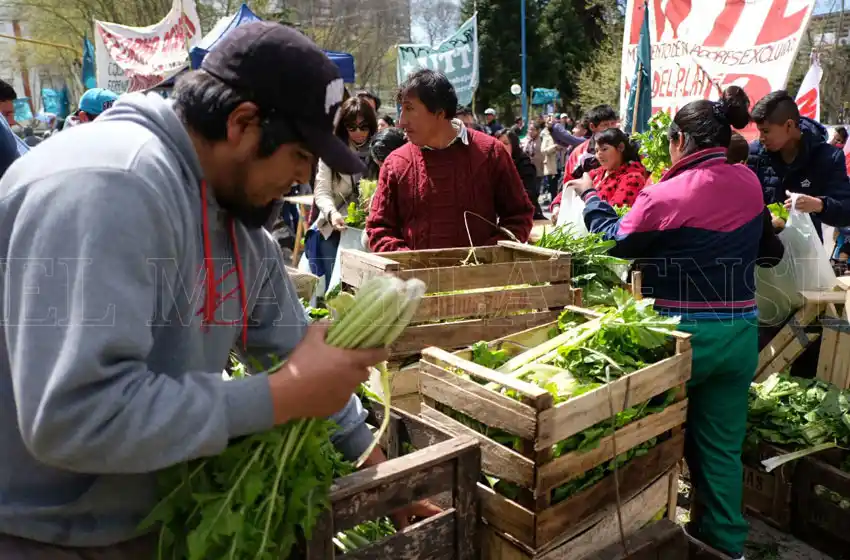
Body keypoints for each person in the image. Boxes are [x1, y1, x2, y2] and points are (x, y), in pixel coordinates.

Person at [0, 22, 434, 558]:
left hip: (153, 520)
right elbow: (72, 417)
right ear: (242, 124)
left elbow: (293, 342)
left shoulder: (236, 221)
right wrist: (277, 396)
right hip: (40, 536)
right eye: (299, 158)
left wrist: (375, 464)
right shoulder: (109, 184)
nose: (300, 180)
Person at [570, 86, 782, 560]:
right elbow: (772, 251)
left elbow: (615, 242)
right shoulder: (748, 182)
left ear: (680, 140)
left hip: (684, 339)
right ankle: (726, 545)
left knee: (659, 443)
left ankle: (655, 536)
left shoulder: (664, 194)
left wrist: (590, 197)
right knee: (722, 449)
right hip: (740, 334)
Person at [367, 69, 533, 252]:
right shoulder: (395, 163)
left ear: (439, 112)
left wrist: (487, 257)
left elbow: (519, 216)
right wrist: (411, 265)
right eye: (401, 110)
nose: (401, 122)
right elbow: (378, 229)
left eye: (410, 109)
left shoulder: (491, 153)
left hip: (483, 278)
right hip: (414, 279)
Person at [749, 90, 850, 237]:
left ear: (789, 126)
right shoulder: (754, 153)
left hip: (806, 251)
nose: (761, 138)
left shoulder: (828, 157)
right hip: (762, 249)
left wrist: (819, 205)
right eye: (760, 131)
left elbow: (846, 211)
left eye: (766, 131)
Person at [309, 96, 377, 282]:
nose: (358, 133)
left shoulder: (379, 151)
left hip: (367, 231)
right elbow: (321, 191)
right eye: (352, 128)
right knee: (336, 287)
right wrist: (331, 214)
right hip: (335, 227)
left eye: (363, 127)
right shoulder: (331, 153)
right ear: (343, 128)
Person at [550, 128, 648, 223]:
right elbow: (571, 188)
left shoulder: (633, 178)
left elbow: (615, 215)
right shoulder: (596, 173)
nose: (599, 155)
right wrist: (557, 207)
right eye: (596, 151)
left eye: (604, 149)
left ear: (620, 147)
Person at [497, 128, 545, 220]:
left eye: (505, 143)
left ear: (514, 145)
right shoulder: (494, 165)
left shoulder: (525, 165)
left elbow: (530, 194)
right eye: (498, 143)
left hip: (527, 216)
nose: (501, 147)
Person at [564, 105, 619, 179]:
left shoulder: (626, 146)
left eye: (613, 124)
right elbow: (569, 182)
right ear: (592, 127)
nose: (610, 129)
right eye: (605, 125)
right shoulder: (580, 153)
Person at [521, 120, 545, 217]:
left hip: (538, 170)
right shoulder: (523, 141)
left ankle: (535, 211)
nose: (530, 131)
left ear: (538, 131)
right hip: (525, 171)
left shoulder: (542, 141)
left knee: (535, 192)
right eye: (529, 129)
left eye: (533, 130)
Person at [540, 118, 561, 201]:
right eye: (548, 122)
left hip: (562, 164)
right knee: (553, 188)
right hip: (552, 166)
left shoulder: (562, 134)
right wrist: (554, 147)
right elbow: (543, 151)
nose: (551, 123)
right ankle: (554, 204)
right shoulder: (546, 136)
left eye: (553, 121)